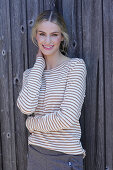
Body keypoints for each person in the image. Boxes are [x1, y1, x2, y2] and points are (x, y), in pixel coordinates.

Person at [16, 9, 87, 170]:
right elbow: (26, 107)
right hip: (36, 153)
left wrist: (31, 123)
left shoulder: (74, 67)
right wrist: (39, 64)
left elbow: (67, 118)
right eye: (42, 34)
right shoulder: (30, 74)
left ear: (62, 37)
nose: (47, 40)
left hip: (65, 156)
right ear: (36, 36)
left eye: (54, 34)